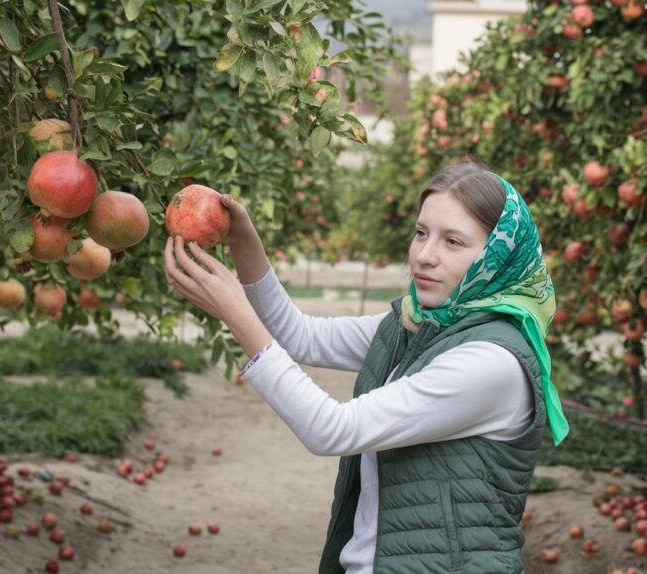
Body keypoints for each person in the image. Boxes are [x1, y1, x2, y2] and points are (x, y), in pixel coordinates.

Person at [163, 160, 569, 574]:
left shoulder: (491, 362)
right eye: (421, 233)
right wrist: (243, 241)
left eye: (453, 242)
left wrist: (236, 313)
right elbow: (300, 336)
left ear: (499, 256)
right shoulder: (418, 324)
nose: (425, 256)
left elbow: (332, 429)